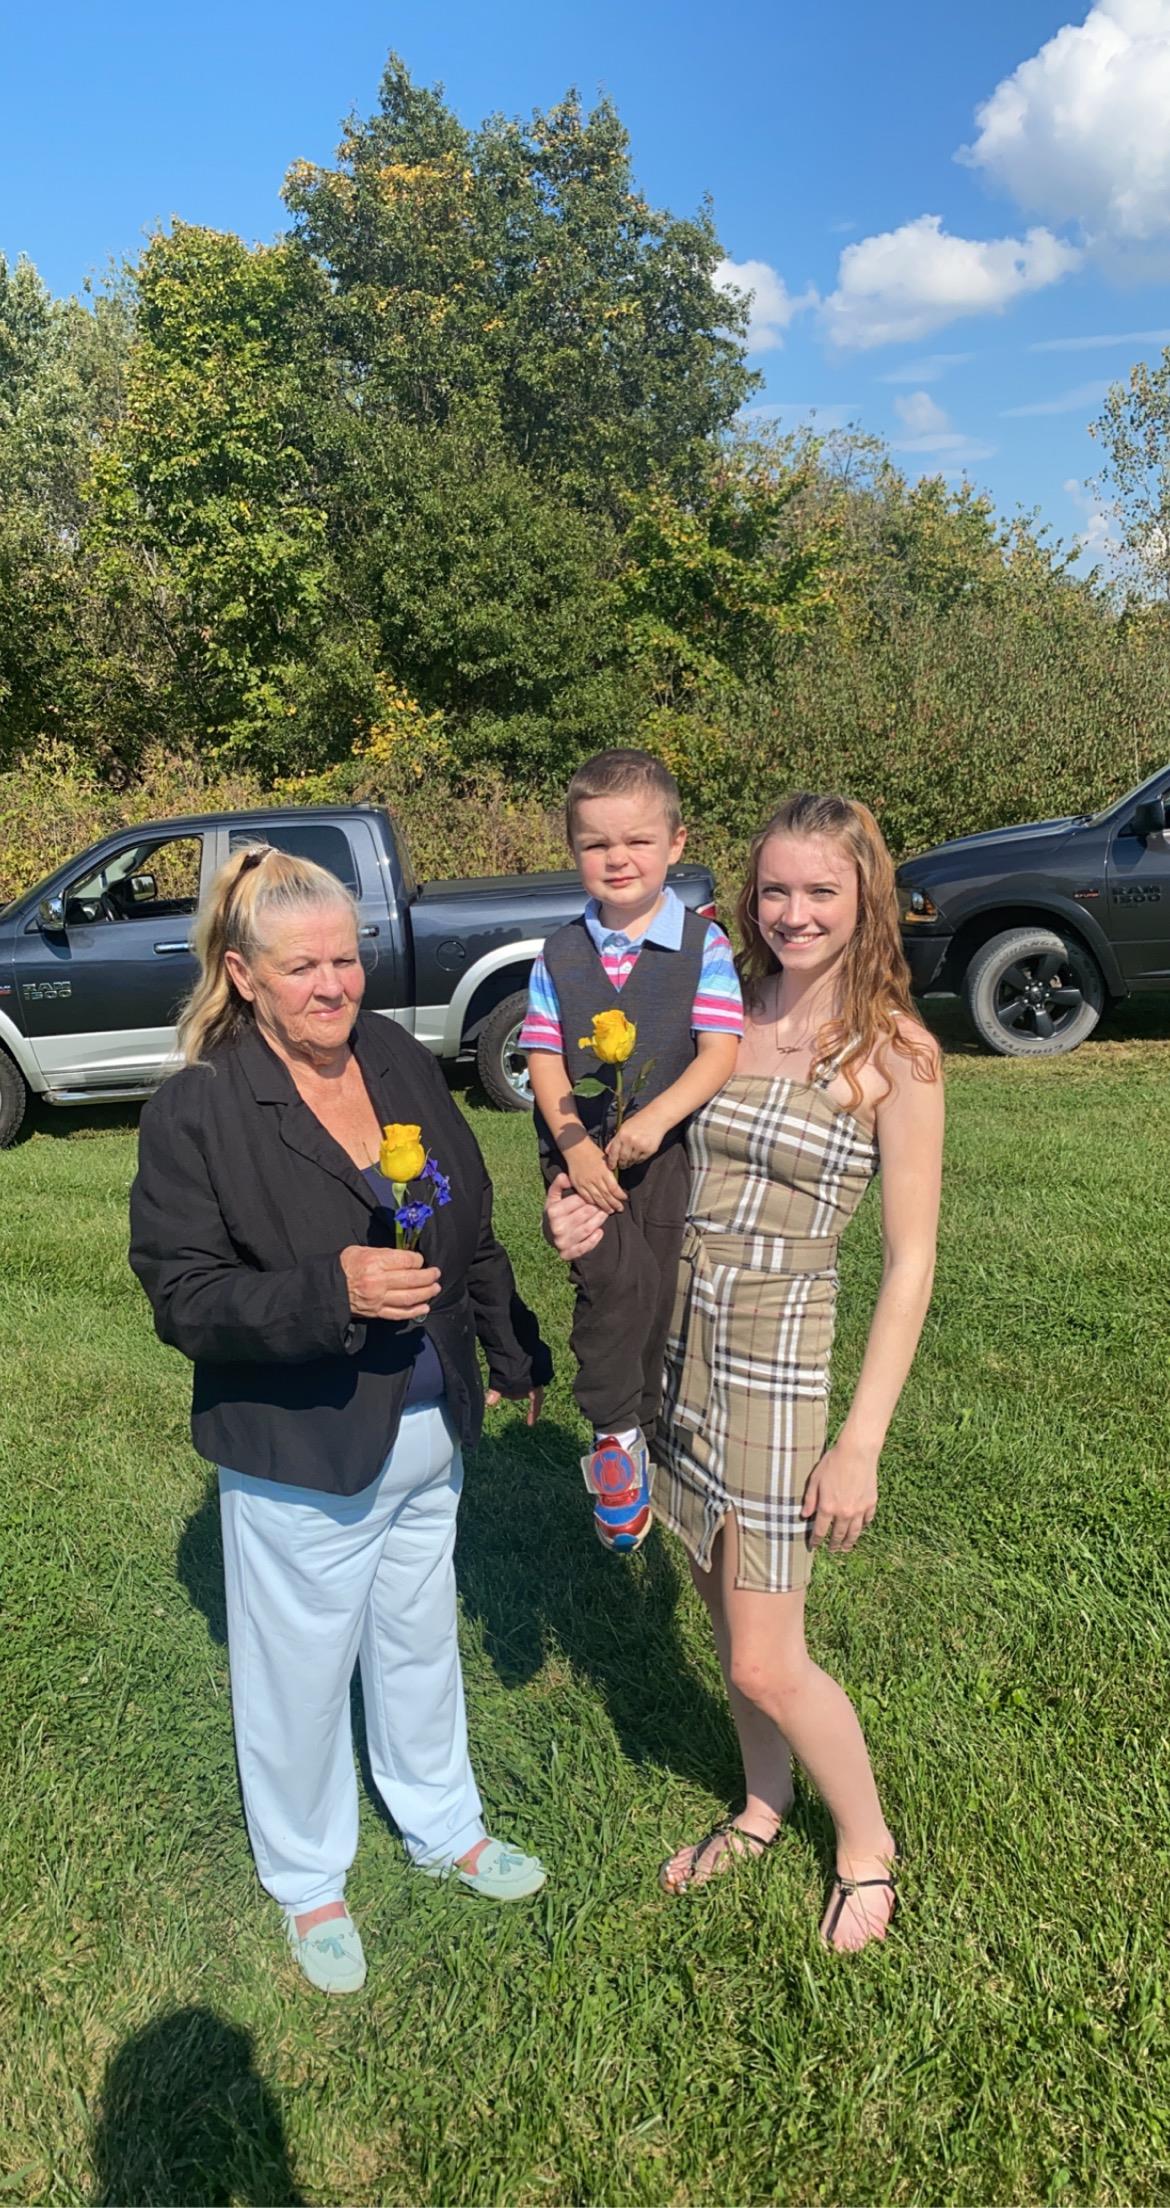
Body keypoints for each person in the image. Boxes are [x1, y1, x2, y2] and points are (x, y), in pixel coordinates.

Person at [129, 845, 552, 1996]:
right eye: (301, 966)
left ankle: (444, 1824)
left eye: (346, 958)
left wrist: (508, 1348)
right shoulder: (199, 1109)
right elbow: (183, 1296)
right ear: (242, 973)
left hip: (428, 1433)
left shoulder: (397, 1063)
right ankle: (310, 1878)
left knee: (418, 1646)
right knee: (298, 1674)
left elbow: (464, 1215)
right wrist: (334, 1291)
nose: (334, 985)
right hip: (304, 1448)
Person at [545, 793, 943, 1951]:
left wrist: (859, 1442)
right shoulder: (718, 1009)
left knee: (770, 1657)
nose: (795, 912)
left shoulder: (896, 1055)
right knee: (723, 1617)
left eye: (822, 890)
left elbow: (910, 1263)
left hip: (778, 1356)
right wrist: (580, 1206)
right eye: (775, 890)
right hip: (678, 1333)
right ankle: (765, 1805)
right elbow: (632, 1148)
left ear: (865, 895)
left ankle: (865, 1843)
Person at [520, 749, 742, 1552]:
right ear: (574, 849)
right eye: (597, 844)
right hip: (582, 1154)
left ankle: (645, 1426)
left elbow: (719, 1050)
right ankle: (615, 1435)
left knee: (651, 1282)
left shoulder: (704, 949)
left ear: (676, 845)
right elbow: (544, 1058)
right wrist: (574, 1143)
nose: (619, 860)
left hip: (663, 1150)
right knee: (609, 1273)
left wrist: (656, 1121)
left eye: (639, 842)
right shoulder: (559, 954)